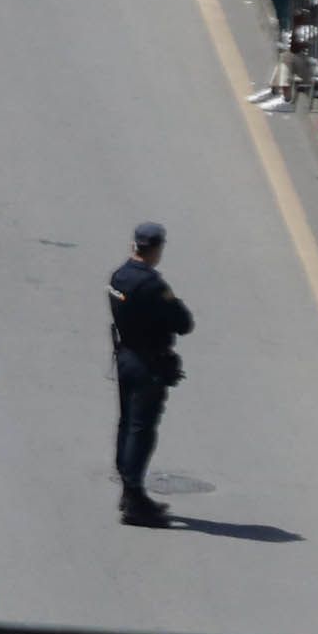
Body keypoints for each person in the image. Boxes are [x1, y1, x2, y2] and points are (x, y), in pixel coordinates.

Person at [106, 219, 192, 526]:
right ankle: (133, 498)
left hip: (126, 357)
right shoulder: (153, 285)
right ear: (154, 249)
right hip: (148, 365)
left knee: (127, 423)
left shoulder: (119, 277)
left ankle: (131, 492)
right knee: (142, 431)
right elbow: (184, 322)